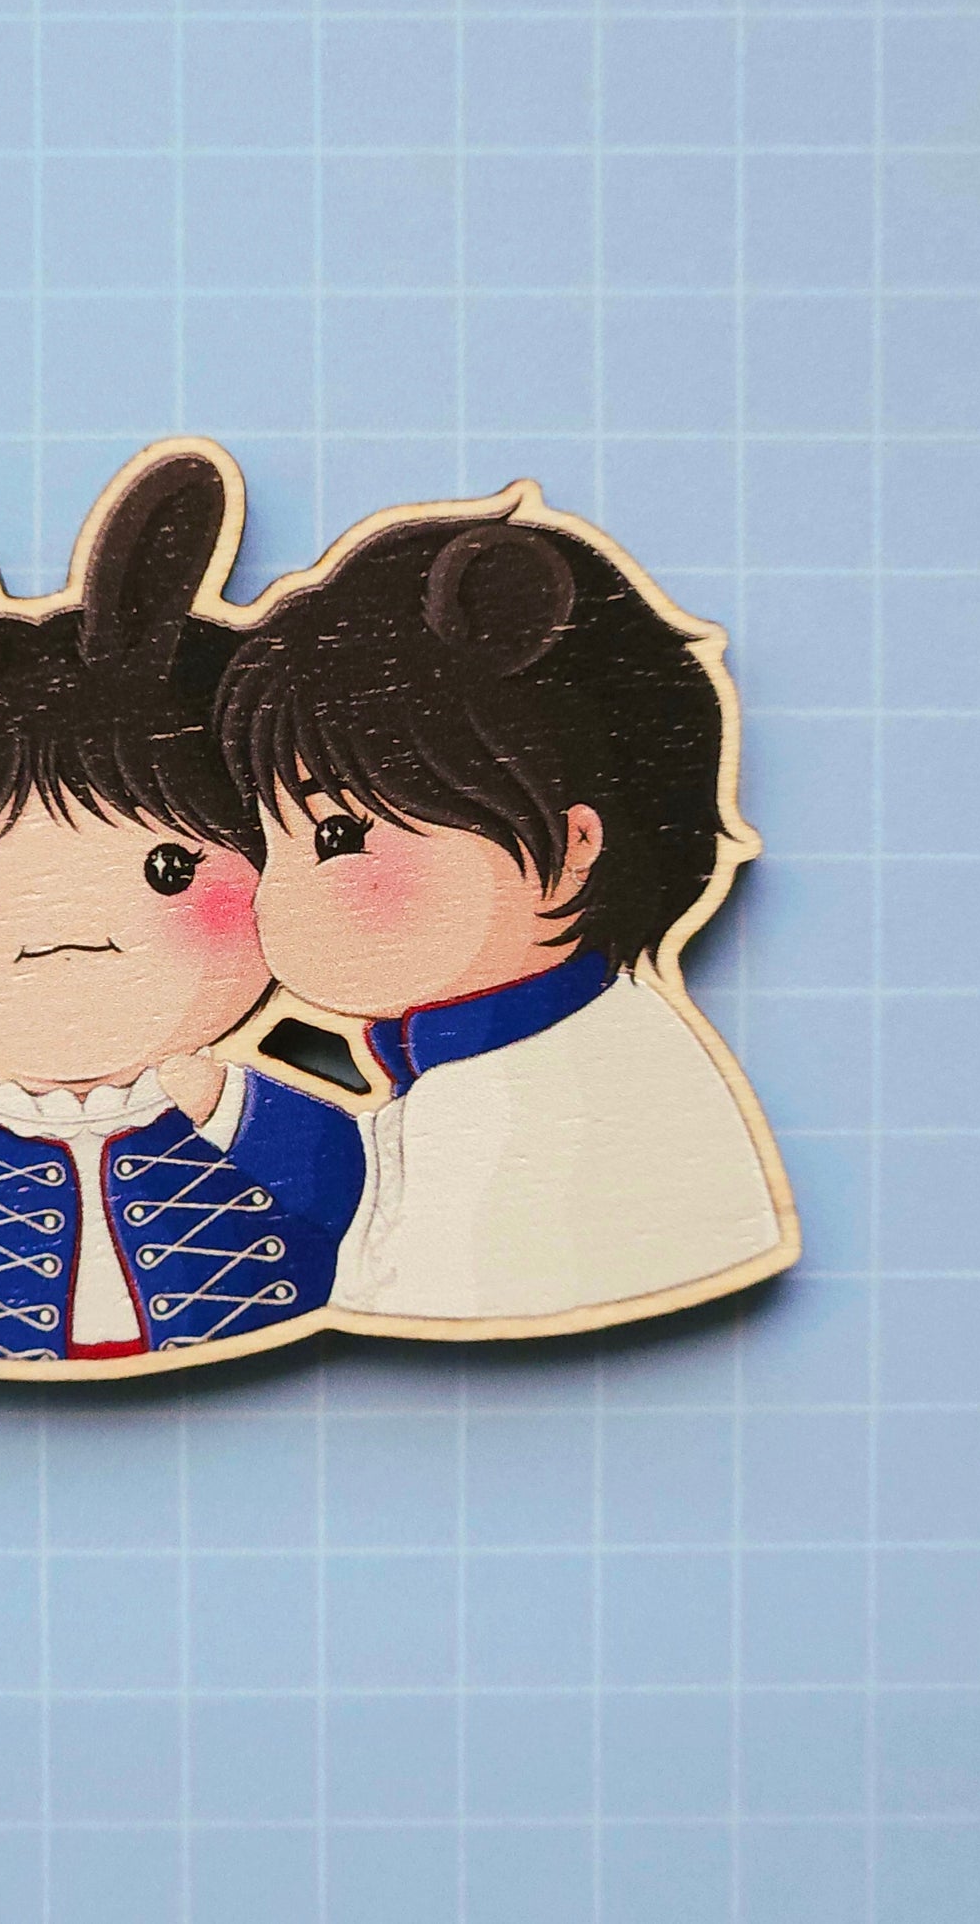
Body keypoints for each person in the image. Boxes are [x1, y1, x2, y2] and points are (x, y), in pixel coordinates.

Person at [0, 443, 363, 1375]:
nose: (65, 936)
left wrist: (239, 1114)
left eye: (169, 869)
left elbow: (363, 1203)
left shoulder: (249, 1108)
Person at [215, 482, 799, 1334]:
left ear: (575, 846)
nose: (277, 901)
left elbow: (412, 1284)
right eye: (273, 848)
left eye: (338, 837)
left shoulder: (562, 1093)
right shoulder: (507, 1058)